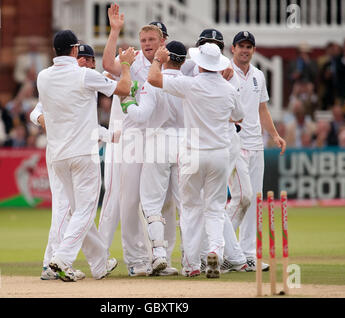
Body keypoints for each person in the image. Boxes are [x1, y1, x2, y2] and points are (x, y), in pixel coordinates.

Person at [37, 29, 134, 282]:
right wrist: (125, 65)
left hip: (57, 157)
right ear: (73, 50)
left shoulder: (42, 77)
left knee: (77, 211)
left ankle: (100, 264)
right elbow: (124, 88)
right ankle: (61, 259)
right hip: (83, 154)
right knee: (85, 212)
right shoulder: (83, 75)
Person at [148, 43, 244, 278]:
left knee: (190, 210)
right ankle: (215, 252)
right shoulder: (228, 89)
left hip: (193, 153)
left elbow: (153, 80)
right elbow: (239, 116)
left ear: (200, 64)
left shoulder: (190, 84)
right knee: (214, 209)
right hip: (219, 154)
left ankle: (191, 265)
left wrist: (159, 60)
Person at [101, 3, 166, 277]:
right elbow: (106, 65)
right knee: (128, 201)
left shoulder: (172, 59)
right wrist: (115, 31)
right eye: (144, 40)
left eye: (152, 40)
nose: (147, 44)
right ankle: (136, 260)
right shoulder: (134, 58)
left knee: (162, 203)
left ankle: (162, 257)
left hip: (162, 137)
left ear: (162, 41)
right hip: (132, 138)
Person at [124, 41, 187, 276]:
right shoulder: (190, 83)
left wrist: (127, 102)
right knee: (186, 204)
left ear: (166, 57)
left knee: (151, 203)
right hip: (186, 145)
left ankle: (159, 254)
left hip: (159, 142)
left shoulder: (153, 82)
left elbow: (141, 116)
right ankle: (192, 259)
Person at [227, 31, 286, 271]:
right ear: (233, 48)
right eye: (241, 46)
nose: (245, 50)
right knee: (243, 196)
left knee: (254, 201)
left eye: (249, 46)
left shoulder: (258, 76)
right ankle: (220, 247)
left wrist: (274, 135)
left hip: (256, 145)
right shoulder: (224, 72)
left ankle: (247, 253)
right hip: (234, 144)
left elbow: (263, 109)